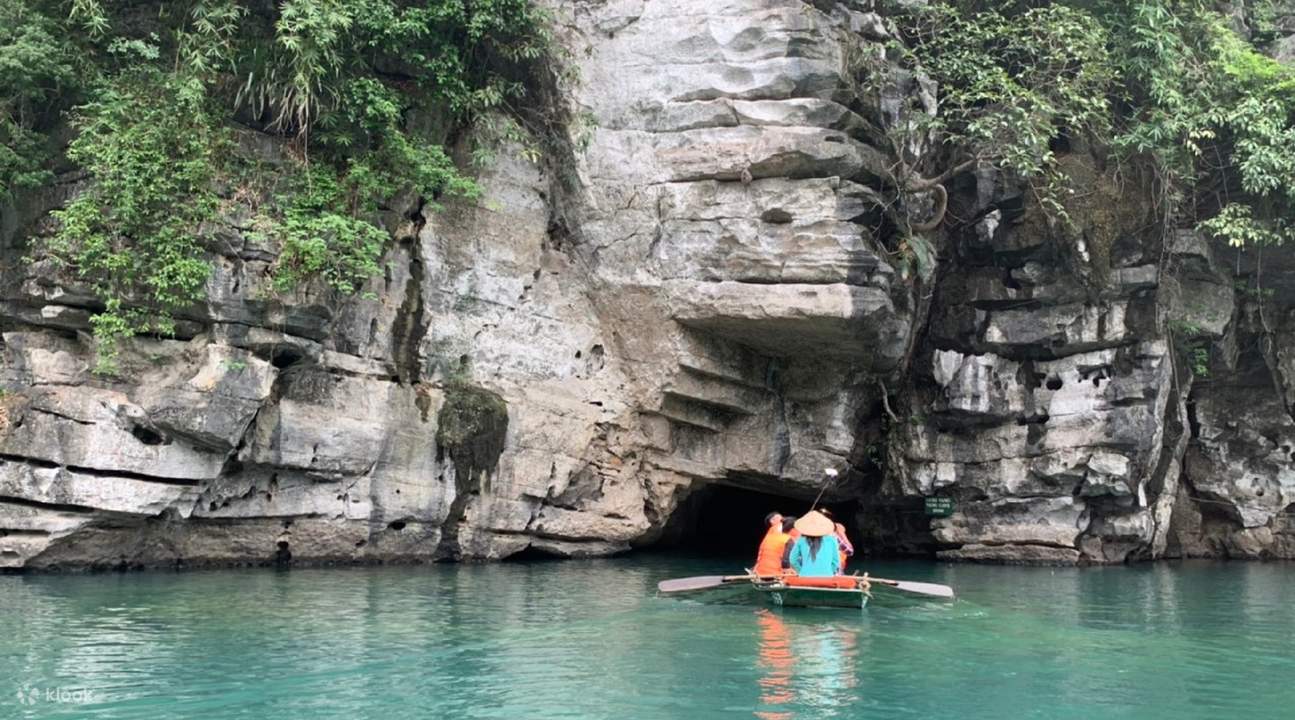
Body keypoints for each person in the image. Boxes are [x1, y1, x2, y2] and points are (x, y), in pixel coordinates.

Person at [786, 510, 840, 577]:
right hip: (827, 577)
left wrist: (801, 571)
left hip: (805, 577)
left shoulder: (801, 540)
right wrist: (828, 572)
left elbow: (792, 560)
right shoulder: (832, 540)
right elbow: (836, 563)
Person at [754, 512, 790, 577]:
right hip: (778, 571)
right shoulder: (784, 530)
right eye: (780, 518)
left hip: (761, 570)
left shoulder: (767, 537)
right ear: (772, 521)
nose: (783, 519)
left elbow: (760, 554)